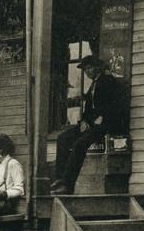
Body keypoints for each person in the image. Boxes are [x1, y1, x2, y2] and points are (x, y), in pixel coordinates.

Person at [51, 56, 121, 195]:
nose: (87, 72)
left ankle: (68, 185)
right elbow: (88, 109)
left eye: (89, 68)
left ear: (98, 68)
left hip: (106, 125)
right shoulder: (93, 85)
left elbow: (114, 105)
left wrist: (102, 118)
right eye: (85, 70)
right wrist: (84, 121)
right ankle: (60, 179)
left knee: (79, 145)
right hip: (91, 124)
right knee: (63, 139)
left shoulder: (108, 81)